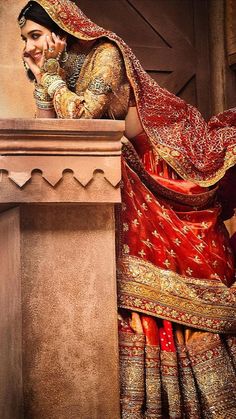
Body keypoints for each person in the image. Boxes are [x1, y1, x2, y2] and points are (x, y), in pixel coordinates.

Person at [18, 1, 236, 417]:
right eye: (23, 40)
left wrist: (49, 73)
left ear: (62, 30)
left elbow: (84, 119)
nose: (28, 47)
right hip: (124, 169)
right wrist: (43, 78)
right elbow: (50, 130)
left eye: (34, 36)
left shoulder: (105, 54)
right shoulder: (58, 67)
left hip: (161, 164)